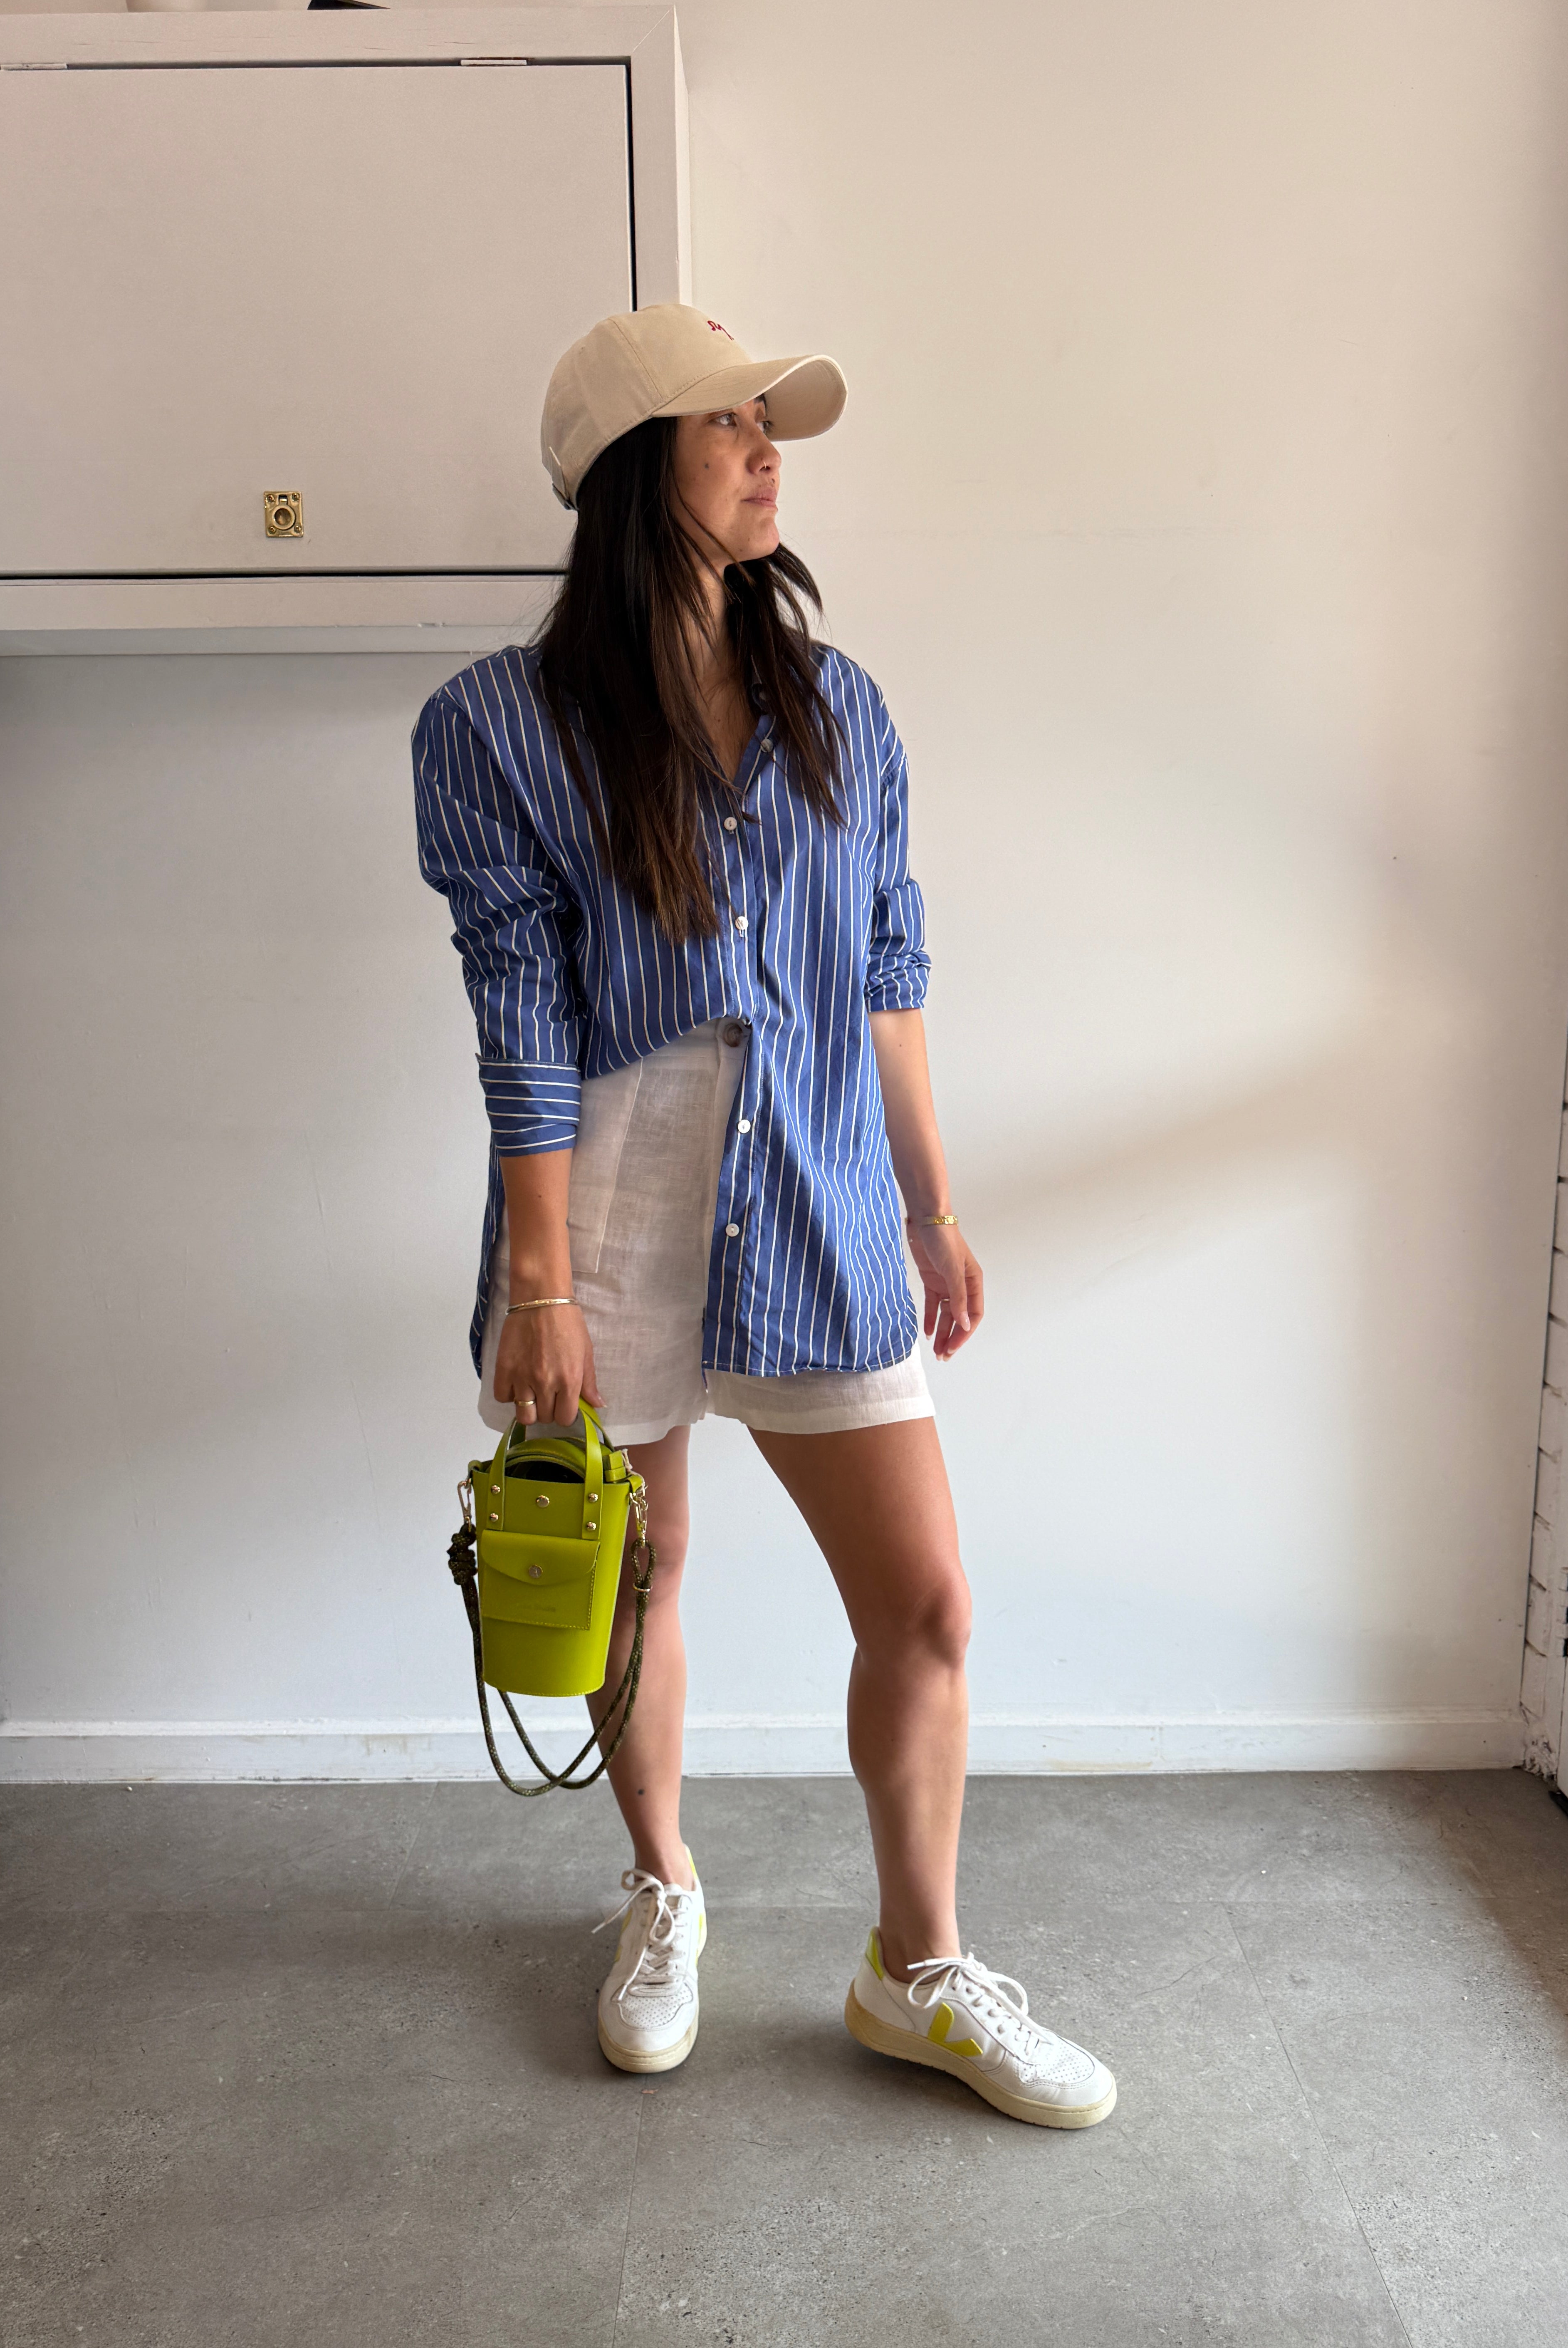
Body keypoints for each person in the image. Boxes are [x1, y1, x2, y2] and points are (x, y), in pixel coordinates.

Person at [413, 305, 1115, 2130]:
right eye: (728, 421)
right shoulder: (494, 725)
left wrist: (933, 1207)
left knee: (929, 1604)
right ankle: (662, 1889)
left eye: (768, 423)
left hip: (815, 1189)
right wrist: (543, 1282)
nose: (766, 449)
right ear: (631, 465)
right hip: (613, 1198)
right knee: (633, 1580)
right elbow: (520, 1014)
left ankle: (917, 1969)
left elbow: (886, 971)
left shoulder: (840, 705)